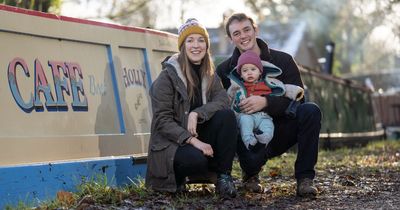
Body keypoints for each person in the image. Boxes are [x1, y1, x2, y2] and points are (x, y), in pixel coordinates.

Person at [216, 13, 322, 197]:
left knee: (310, 111)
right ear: (231, 39)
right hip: (247, 135)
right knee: (233, 125)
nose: (243, 36)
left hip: (280, 129)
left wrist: (265, 102)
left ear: (255, 30)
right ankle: (250, 174)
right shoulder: (225, 70)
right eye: (237, 33)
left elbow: (298, 99)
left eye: (247, 29)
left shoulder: (284, 61)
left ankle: (305, 179)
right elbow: (221, 108)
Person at [145, 18, 238, 198]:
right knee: (196, 160)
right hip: (171, 144)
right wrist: (194, 141)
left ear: (206, 45)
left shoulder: (210, 75)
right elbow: (162, 121)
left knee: (227, 116)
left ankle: (224, 177)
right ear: (182, 46)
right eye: (190, 40)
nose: (196, 45)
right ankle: (176, 180)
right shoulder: (167, 77)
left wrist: (197, 113)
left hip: (200, 136)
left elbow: (223, 100)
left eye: (201, 40)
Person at [227, 50, 304, 151]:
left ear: (260, 72)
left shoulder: (269, 83)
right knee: (245, 124)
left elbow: (284, 88)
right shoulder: (237, 87)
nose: (249, 72)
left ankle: (263, 142)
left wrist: (295, 91)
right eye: (245, 71)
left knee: (268, 127)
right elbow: (228, 98)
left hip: (264, 115)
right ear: (240, 74)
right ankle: (250, 143)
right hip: (246, 114)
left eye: (253, 69)